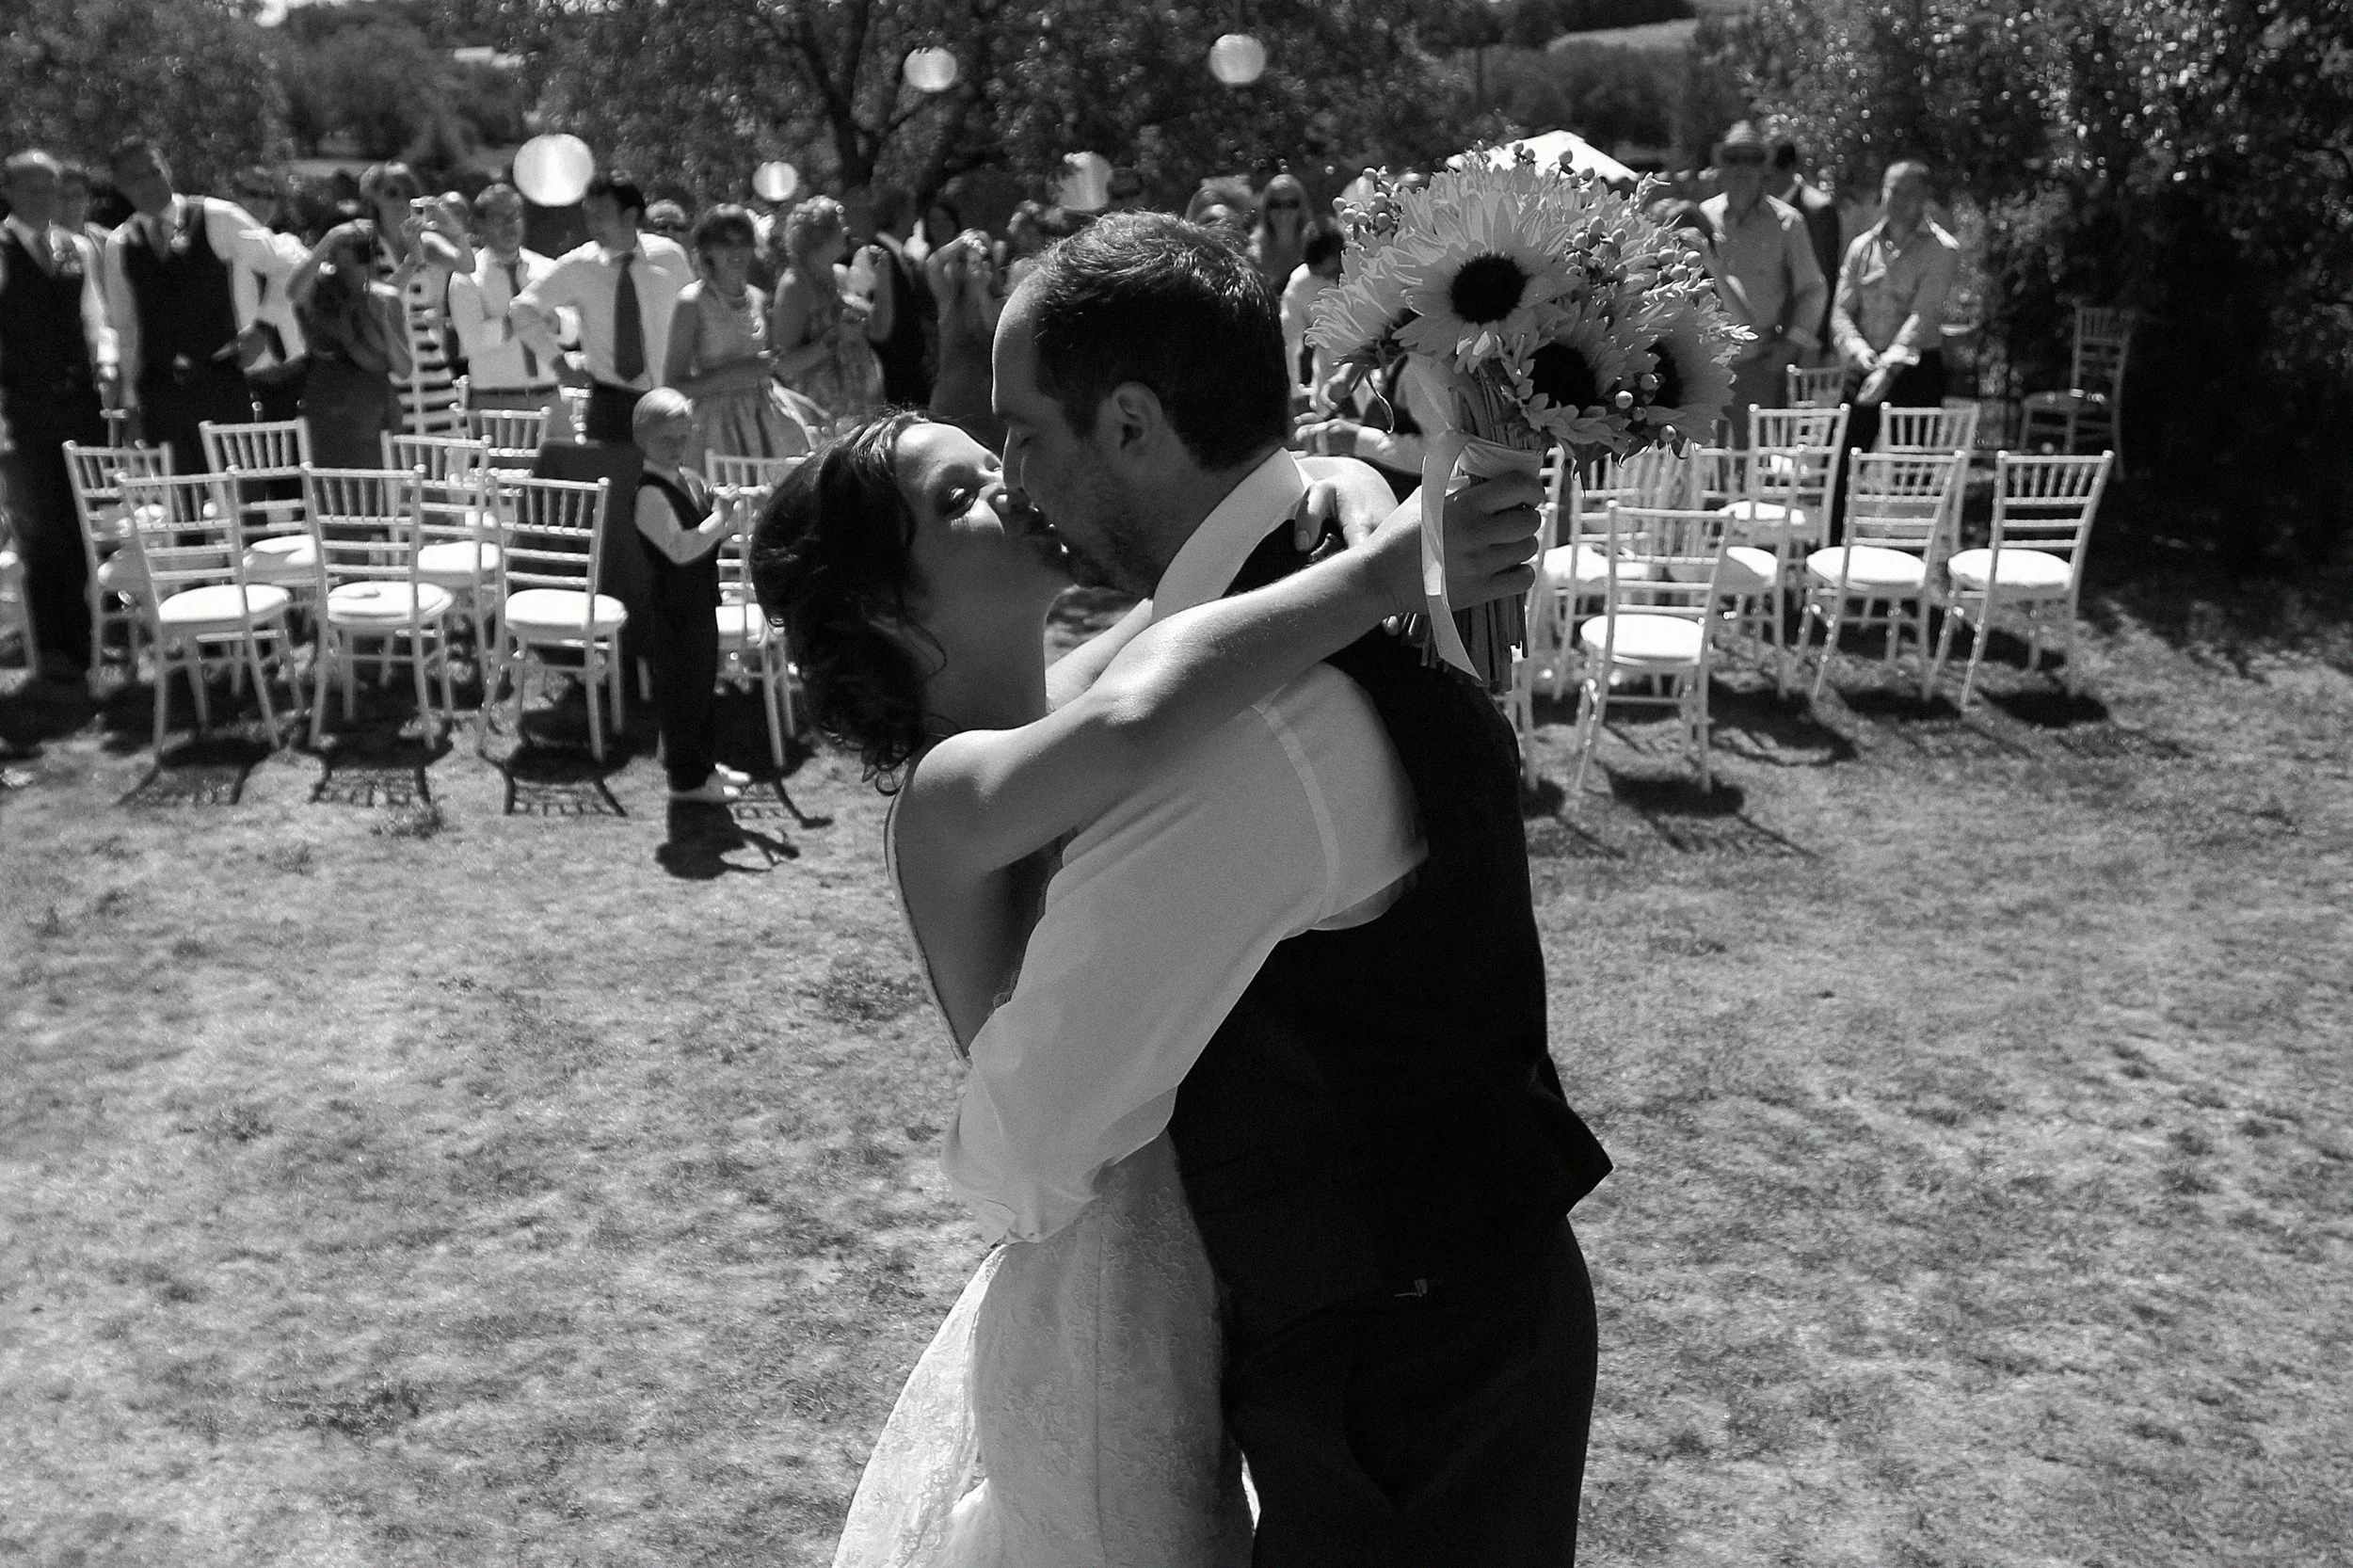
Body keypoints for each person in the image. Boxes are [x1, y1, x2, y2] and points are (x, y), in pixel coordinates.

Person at [777, 212, 1611, 1567]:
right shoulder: (1012, 762)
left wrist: (1353, 499)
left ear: (1129, 425)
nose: (1011, 475)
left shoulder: (1203, 705)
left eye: (1017, 436)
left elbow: (1169, 661)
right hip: (1149, 1269)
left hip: (1373, 1357)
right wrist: (1391, 553)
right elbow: (1153, 692)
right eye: (964, 487)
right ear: (895, 610)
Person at [102, 136, 306, 473]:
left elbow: (287, 266)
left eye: (154, 171)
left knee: (243, 499)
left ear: (166, 168)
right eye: (136, 178)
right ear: (121, 187)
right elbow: (126, 327)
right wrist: (130, 403)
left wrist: (262, 328)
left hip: (220, 379)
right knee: (182, 508)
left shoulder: (215, 217)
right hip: (161, 390)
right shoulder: (120, 243)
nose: (150, 184)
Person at [0, 150, 117, 683]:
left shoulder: (77, 248)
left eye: (52, 188)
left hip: (80, 402)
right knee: (38, 526)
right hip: (22, 406)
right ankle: (50, 646)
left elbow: (95, 319)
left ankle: (85, 636)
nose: (44, 199)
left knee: (78, 521)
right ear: (8, 192)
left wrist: (108, 366)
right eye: (31, 189)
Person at [513, 171, 696, 444]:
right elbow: (522, 310)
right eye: (588, 215)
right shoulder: (578, 266)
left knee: (666, 483)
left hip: (667, 399)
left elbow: (695, 317)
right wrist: (559, 364)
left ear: (630, 216)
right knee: (609, 483)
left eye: (601, 215)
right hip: (611, 403)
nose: (593, 224)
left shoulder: (669, 257)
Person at [632, 390, 751, 804]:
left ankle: (703, 765)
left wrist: (725, 511)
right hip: (674, 609)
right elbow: (680, 549)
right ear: (643, 440)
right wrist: (718, 519)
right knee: (682, 693)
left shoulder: (688, 479)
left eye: (683, 437)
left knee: (701, 689)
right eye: (667, 439)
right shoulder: (650, 494)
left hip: (700, 601)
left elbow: (709, 536)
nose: (677, 447)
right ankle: (687, 780)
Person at [1699, 120, 1827, 444]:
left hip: (1759, 361)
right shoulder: (1701, 217)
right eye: (1733, 159)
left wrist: (1791, 346)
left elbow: (1812, 290)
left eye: (1752, 159)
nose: (1742, 168)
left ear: (1764, 168)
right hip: (1702, 362)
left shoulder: (1788, 223)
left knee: (1749, 463)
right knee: (1702, 466)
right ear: (1721, 166)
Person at [662, 204, 818, 467]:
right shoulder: (692, 301)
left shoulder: (757, 297)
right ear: (708, 250)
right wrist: (736, 372)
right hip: (716, 426)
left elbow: (773, 366)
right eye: (725, 243)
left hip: (767, 417)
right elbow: (673, 386)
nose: (736, 252)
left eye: (744, 242)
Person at [1832, 159, 1961, 456]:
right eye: (1894, 190)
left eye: (1910, 192)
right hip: (1865, 363)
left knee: (1911, 476)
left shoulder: (1942, 250)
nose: (1899, 200)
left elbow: (1922, 316)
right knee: (1841, 466)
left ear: (1925, 196)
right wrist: (1858, 350)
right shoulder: (1861, 247)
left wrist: (1888, 371)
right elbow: (1841, 310)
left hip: (1915, 369)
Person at [447, 183, 568, 437]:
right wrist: (516, 321)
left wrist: (556, 322)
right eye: (499, 218)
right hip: (497, 403)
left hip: (551, 396)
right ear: (479, 225)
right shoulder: (467, 277)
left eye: (514, 216)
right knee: (501, 477)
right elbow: (472, 341)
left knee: (566, 474)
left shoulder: (546, 268)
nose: (509, 225)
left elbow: (572, 331)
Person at [359, 163, 470, 438]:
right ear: (375, 197)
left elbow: (467, 264)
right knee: (398, 443)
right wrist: (411, 263)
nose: (401, 200)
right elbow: (376, 299)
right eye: (392, 192)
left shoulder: (424, 241)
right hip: (388, 350)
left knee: (445, 437)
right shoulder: (364, 244)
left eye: (409, 193)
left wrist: (452, 228)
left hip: (425, 351)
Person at [291, 220, 413, 468]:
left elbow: (404, 369)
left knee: (382, 489)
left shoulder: (386, 298)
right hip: (329, 399)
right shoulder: (318, 289)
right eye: (347, 245)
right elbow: (294, 292)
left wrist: (384, 324)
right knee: (335, 489)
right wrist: (330, 238)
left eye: (361, 244)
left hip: (374, 400)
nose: (357, 250)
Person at [768, 195, 885, 428]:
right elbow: (782, 364)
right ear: (820, 235)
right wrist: (835, 338)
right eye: (840, 225)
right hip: (817, 412)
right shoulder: (795, 284)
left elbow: (880, 329)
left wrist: (884, 280)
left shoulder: (839, 275)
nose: (847, 230)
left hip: (858, 407)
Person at [228, 167, 309, 424]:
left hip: (297, 379)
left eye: (270, 196)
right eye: (253, 194)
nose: (263, 202)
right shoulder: (221, 253)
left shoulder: (287, 244)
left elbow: (300, 270)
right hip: (244, 383)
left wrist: (263, 324)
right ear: (234, 198)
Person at [844, 184, 934, 408]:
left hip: (911, 375)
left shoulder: (905, 258)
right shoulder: (869, 256)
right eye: (913, 212)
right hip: (890, 378)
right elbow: (861, 309)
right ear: (900, 213)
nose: (916, 219)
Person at [923, 229, 1004, 453]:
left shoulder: (1001, 303)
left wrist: (981, 292)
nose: (977, 263)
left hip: (988, 406)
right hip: (951, 400)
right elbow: (932, 265)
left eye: (984, 257)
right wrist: (959, 244)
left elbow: (993, 330)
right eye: (966, 259)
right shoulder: (949, 299)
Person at [1769, 134, 1843, 353]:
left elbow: (1822, 281)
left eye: (1767, 174)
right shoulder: (1763, 210)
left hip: (1800, 342)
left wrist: (1811, 343)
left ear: (1789, 169)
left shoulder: (1817, 211)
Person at [1279, 223, 1344, 395]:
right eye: (1321, 276)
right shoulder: (1300, 284)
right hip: (1326, 386)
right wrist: (1293, 393)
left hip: (1377, 380)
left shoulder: (1368, 267)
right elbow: (1289, 344)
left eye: (1331, 273)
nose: (1330, 278)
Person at [1247, 172, 1310, 292]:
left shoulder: (1313, 247)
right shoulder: (1253, 254)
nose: (1283, 212)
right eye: (1275, 204)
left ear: (1301, 208)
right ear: (1266, 209)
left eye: (1291, 204)